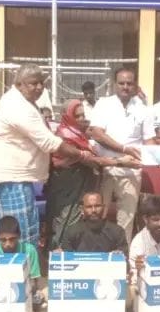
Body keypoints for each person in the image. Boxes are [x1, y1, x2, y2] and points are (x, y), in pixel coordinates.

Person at [0, 65, 90, 250]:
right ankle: (22, 267)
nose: (39, 87)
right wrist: (82, 154)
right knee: (18, 234)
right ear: (19, 84)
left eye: (42, 83)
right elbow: (49, 142)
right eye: (33, 83)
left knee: (10, 230)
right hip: (10, 179)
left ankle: (9, 267)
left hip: (15, 178)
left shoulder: (24, 101)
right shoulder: (17, 106)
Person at [89, 66, 153, 240]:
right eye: (121, 83)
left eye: (129, 83)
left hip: (131, 172)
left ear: (135, 85)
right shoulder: (103, 104)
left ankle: (122, 253)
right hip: (105, 169)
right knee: (97, 215)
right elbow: (97, 134)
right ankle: (98, 252)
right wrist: (124, 149)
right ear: (114, 84)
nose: (125, 87)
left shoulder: (144, 109)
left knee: (126, 221)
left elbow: (149, 141)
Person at [46, 99, 117, 248]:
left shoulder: (80, 135)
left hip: (79, 185)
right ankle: (58, 253)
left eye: (83, 115)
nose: (81, 119)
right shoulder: (64, 136)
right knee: (65, 220)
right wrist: (121, 161)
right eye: (77, 116)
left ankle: (73, 252)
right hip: (67, 186)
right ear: (66, 116)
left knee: (77, 220)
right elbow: (91, 161)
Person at [59, 191, 128, 253]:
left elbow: (124, 257)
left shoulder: (117, 231)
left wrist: (119, 255)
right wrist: (58, 255)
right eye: (89, 207)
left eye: (97, 206)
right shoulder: (72, 231)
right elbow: (66, 257)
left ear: (103, 207)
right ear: (82, 209)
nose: (93, 210)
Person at [0, 215, 41, 281]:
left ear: (19, 235)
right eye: (3, 240)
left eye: (12, 239)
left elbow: (34, 279)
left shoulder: (29, 251)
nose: (8, 244)